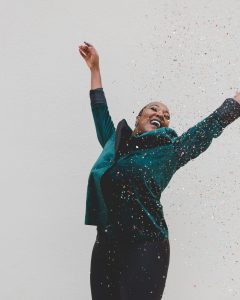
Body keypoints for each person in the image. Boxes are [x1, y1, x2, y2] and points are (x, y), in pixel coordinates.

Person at [79, 41, 240, 300]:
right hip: (106, 244)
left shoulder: (170, 151)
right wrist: (95, 69)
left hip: (146, 246)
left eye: (166, 115)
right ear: (139, 118)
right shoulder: (115, 145)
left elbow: (206, 130)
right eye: (154, 109)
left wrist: (236, 102)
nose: (161, 115)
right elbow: (100, 113)